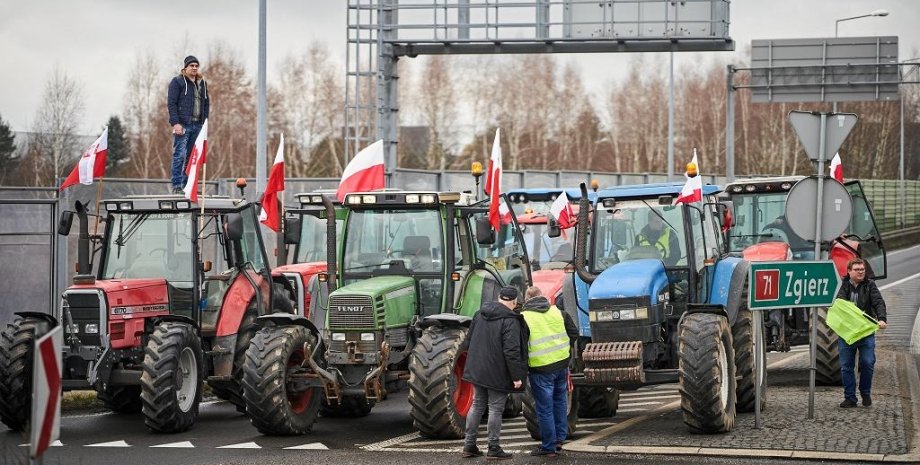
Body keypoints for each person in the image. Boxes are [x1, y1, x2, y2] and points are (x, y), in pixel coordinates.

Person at [459, 286, 527, 460]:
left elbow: (468, 341)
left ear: (499, 298)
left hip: (477, 369)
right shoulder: (510, 320)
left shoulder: (479, 314)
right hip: (497, 372)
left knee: (477, 405)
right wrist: (516, 377)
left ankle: (469, 445)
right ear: (514, 301)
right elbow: (511, 351)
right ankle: (494, 447)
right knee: (495, 409)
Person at [520, 286, 578, 457]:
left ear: (526, 299)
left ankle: (548, 446)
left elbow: (521, 345)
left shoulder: (524, 318)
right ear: (542, 296)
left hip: (540, 369)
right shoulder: (557, 312)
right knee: (560, 402)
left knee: (544, 408)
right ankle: (560, 439)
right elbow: (573, 332)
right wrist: (564, 351)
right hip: (561, 365)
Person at [836, 258, 887, 408]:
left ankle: (865, 392)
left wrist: (882, 318)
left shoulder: (870, 285)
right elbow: (839, 304)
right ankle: (850, 398)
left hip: (865, 332)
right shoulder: (842, 286)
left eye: (862, 269)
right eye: (857, 269)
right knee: (846, 366)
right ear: (849, 271)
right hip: (847, 334)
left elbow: (878, 302)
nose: (861, 272)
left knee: (867, 362)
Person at [167, 55, 210, 194]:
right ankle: (177, 185)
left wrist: (205, 122)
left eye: (196, 66)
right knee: (179, 155)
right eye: (191, 66)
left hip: (198, 125)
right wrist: (176, 123)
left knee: (192, 158)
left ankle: (189, 186)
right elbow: (171, 103)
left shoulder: (202, 83)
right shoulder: (177, 82)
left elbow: (206, 103)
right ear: (185, 67)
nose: (194, 68)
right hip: (183, 125)